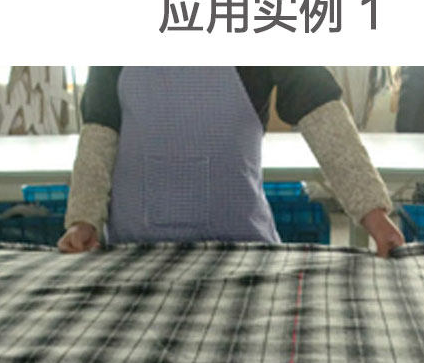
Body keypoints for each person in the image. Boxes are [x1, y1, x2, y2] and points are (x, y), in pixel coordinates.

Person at [57, 66, 405, 255]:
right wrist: (84, 219)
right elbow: (98, 137)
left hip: (244, 256)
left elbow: (323, 115)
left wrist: (373, 213)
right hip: (134, 257)